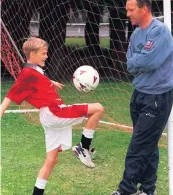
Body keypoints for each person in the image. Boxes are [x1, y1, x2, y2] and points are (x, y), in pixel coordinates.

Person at [0, 37, 104, 195]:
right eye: (44, 53)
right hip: (55, 112)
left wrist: (50, 82)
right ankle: (83, 147)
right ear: (33, 54)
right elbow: (9, 98)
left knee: (52, 159)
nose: (46, 56)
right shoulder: (27, 74)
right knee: (97, 109)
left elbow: (37, 79)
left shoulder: (34, 69)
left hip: (48, 116)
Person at [111, 0, 173, 195]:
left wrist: (140, 61)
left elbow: (150, 62)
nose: (127, 14)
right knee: (149, 144)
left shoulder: (160, 32)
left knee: (138, 146)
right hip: (139, 94)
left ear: (144, 9)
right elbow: (130, 65)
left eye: (131, 10)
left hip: (157, 97)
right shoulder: (136, 34)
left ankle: (126, 190)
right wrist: (140, 61)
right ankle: (147, 190)